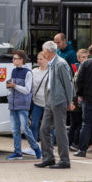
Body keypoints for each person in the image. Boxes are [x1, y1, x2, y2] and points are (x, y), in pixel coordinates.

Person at [34, 41, 75, 169]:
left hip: (59, 100)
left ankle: (64, 160)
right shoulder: (52, 63)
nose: (42, 53)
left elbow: (68, 84)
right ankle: (48, 158)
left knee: (60, 130)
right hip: (50, 100)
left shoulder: (61, 64)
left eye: (43, 50)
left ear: (49, 51)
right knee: (44, 128)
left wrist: (70, 101)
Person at [6, 50, 41, 160]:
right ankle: (17, 152)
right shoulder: (13, 71)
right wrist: (9, 87)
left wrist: (14, 86)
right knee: (15, 129)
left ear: (21, 60)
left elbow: (27, 90)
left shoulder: (28, 72)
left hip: (22, 104)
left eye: (15, 58)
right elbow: (12, 87)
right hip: (13, 104)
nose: (13, 60)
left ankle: (36, 148)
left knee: (25, 129)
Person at [68, 49, 89, 152]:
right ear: (78, 58)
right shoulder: (80, 69)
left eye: (86, 57)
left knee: (74, 123)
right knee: (78, 123)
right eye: (83, 57)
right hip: (77, 99)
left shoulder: (80, 68)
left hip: (76, 98)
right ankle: (75, 143)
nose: (85, 59)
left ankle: (69, 142)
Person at [28, 52, 49, 144]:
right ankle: (34, 146)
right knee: (33, 125)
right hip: (37, 102)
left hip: (48, 104)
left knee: (48, 127)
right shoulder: (33, 71)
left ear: (47, 60)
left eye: (41, 59)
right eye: (38, 59)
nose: (38, 61)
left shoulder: (51, 72)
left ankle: (49, 147)